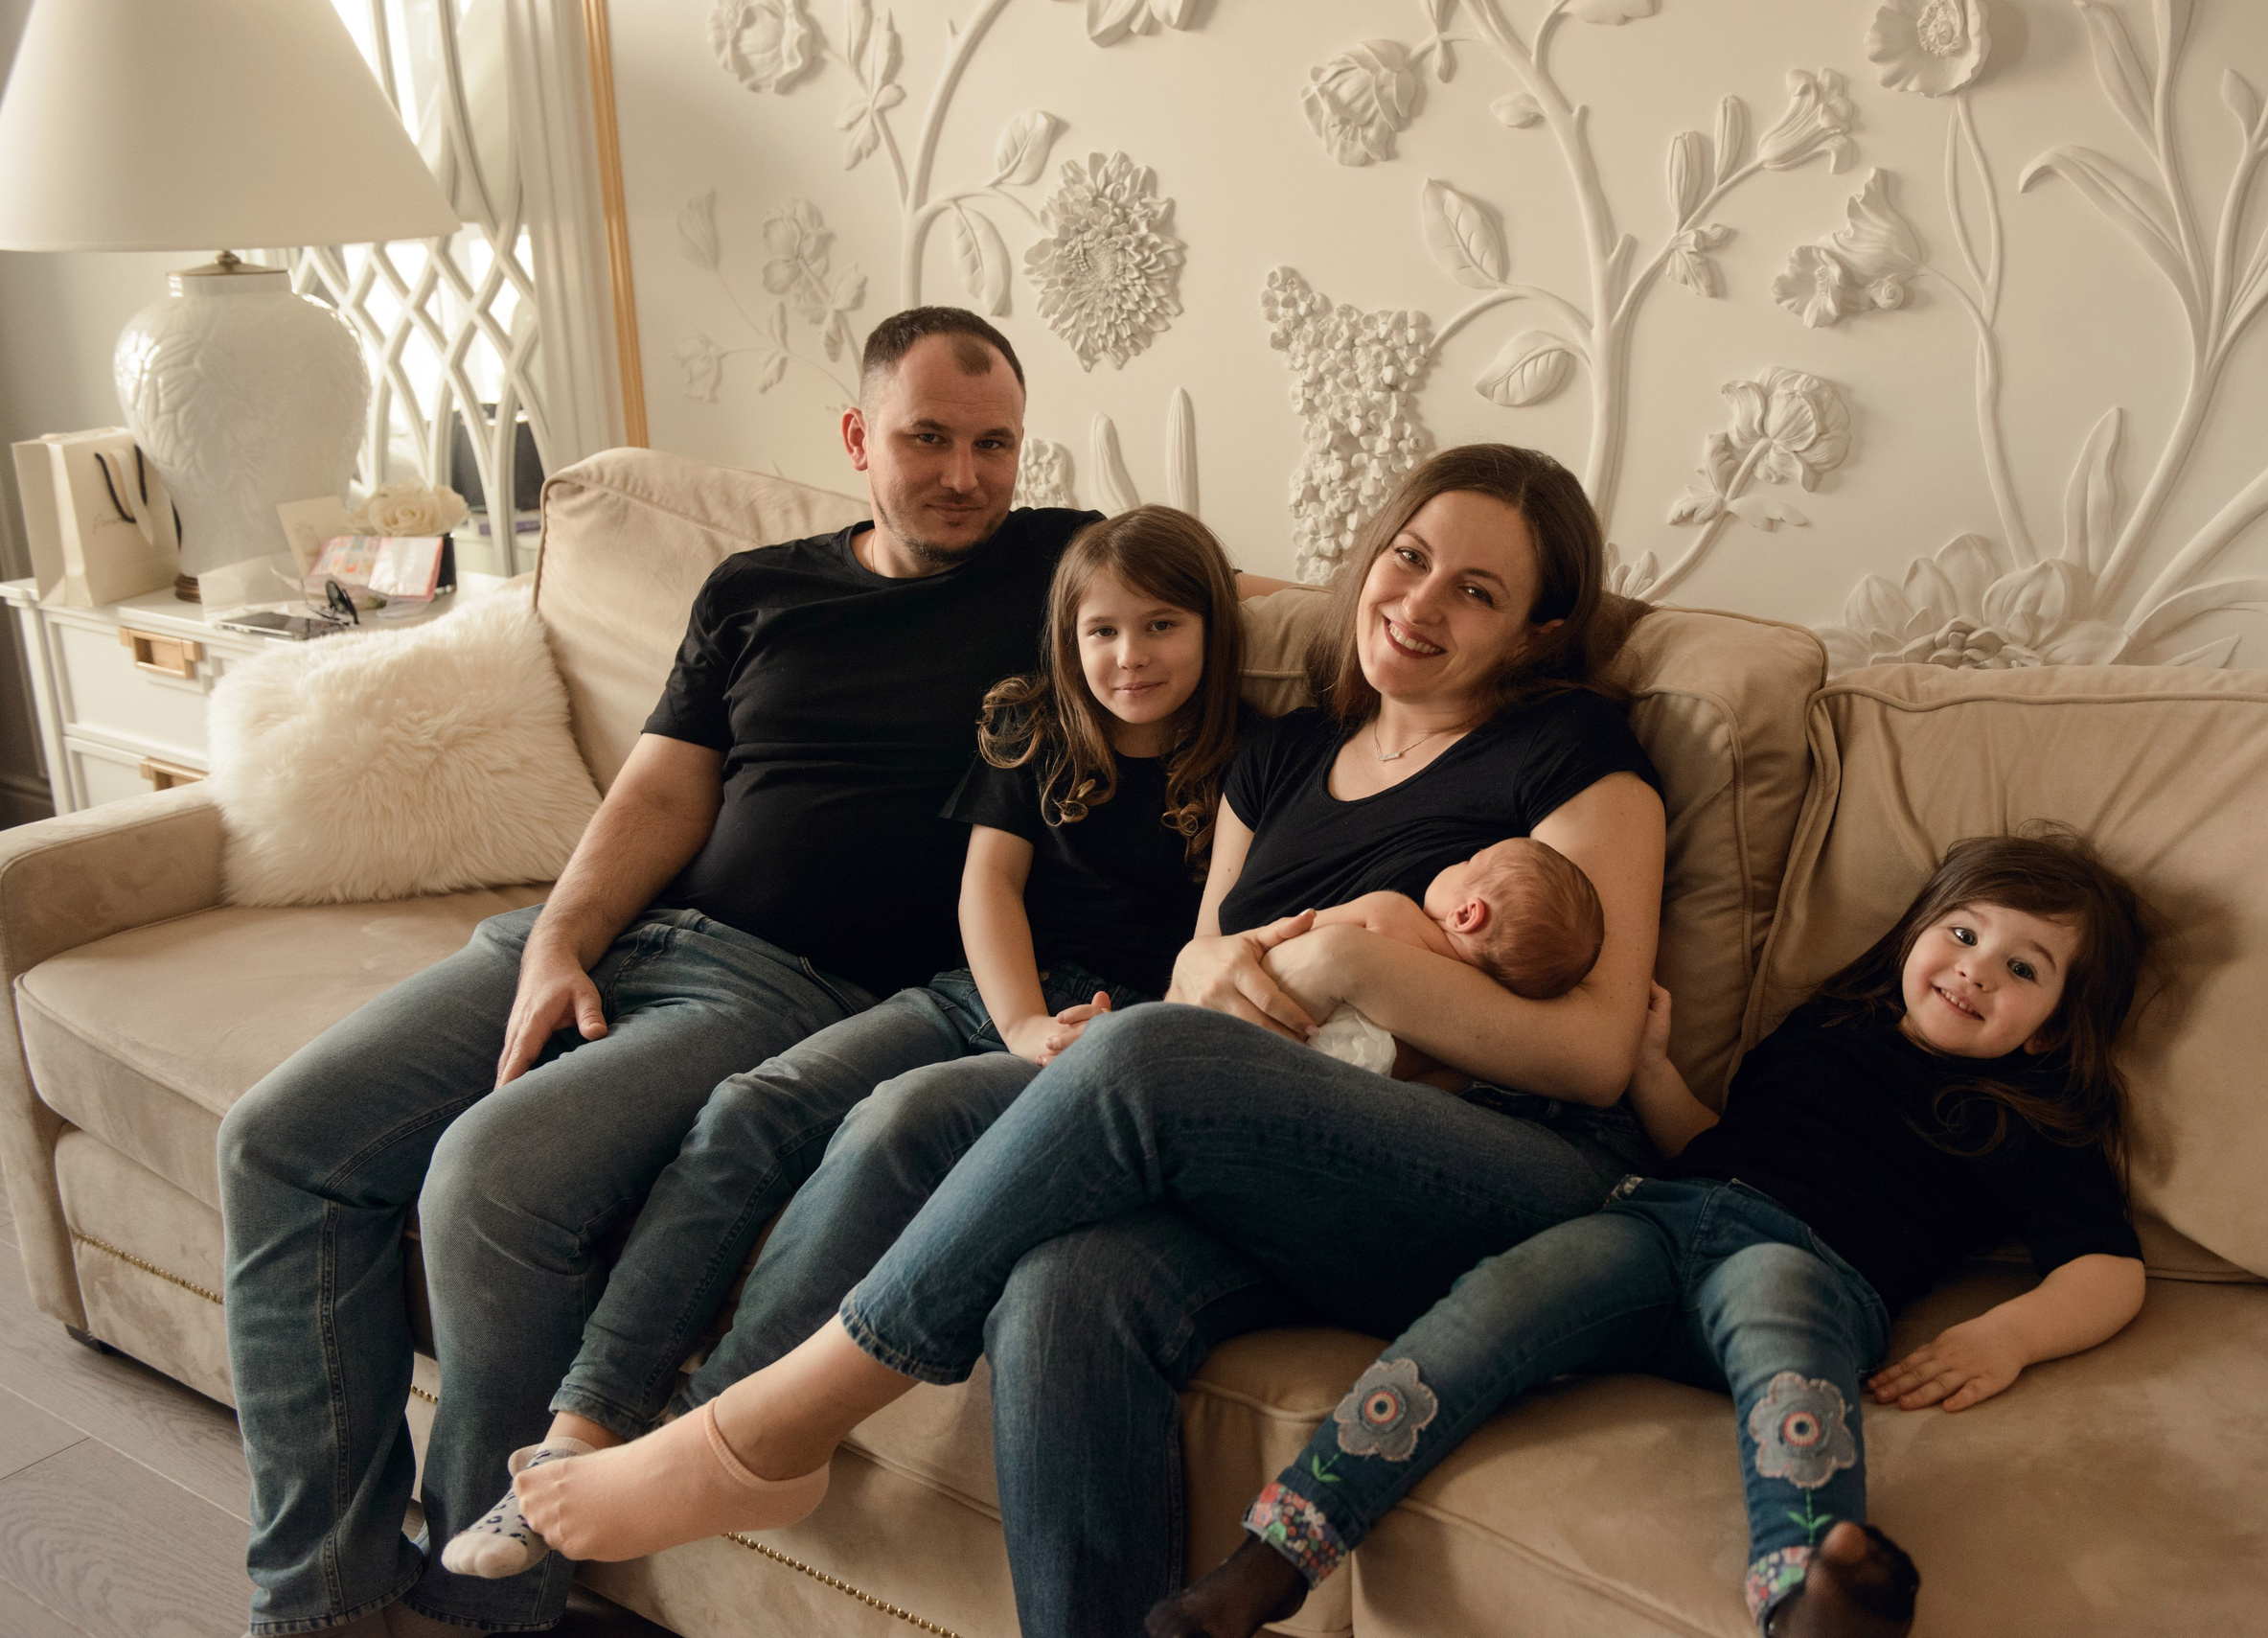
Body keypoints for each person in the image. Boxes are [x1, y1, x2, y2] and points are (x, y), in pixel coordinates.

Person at [512, 443, 1694, 1638]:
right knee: (1039, 1257)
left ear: (1537, 633)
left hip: (1507, 1166)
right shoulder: (1280, 753)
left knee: (1135, 1055)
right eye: (1409, 557)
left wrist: (1348, 962)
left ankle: (763, 1431)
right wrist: (1223, 975)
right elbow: (1195, 963)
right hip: (1284, 1152)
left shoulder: (1576, 759)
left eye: (1476, 592)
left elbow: (1596, 1053)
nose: (1421, 602)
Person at [214, 306, 1098, 1638]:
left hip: (789, 991)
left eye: (994, 445)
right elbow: (662, 790)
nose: (965, 475)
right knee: (277, 1141)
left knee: (491, 1175)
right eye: (927, 439)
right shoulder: (758, 587)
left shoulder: (1063, 576)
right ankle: (319, 1598)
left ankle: (476, 1602)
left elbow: (1254, 615)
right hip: (635, 937)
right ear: (861, 439)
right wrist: (563, 938)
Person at [436, 504, 1248, 1580]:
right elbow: (987, 889)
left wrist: (1095, 1035)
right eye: (1102, 630)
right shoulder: (1035, 725)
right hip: (983, 993)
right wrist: (1012, 1019)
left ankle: (705, 1425)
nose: (1128, 657)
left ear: (1210, 630)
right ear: (1066, 635)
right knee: (752, 1105)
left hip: (1117, 1034)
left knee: (879, 1130)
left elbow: (1214, 942)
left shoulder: (1248, 753)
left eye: (1161, 627)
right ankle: (584, 1425)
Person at [1151, 831, 2156, 1638]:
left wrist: (2007, 1336)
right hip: (1653, 1217)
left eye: (2021, 966)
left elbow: (2108, 1264)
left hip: (1803, 1264)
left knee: (1782, 1322)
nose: (1975, 970)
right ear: (1917, 933)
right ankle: (1270, 1562)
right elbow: (1716, 1143)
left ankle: (1812, 1591)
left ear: (2047, 1026)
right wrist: (1651, 1072)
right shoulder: (1822, 1029)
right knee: (1487, 1307)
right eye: (1965, 933)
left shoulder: (2022, 1117)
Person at [1304, 836, 1605, 1079]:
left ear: (1465, 914)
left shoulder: (1390, 912)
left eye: (1470, 861)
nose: (1460, 860)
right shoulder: (1459, 1040)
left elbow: (1296, 933)